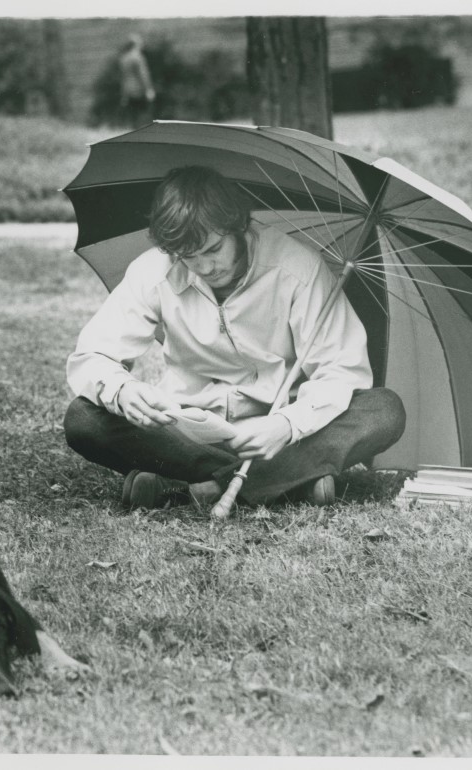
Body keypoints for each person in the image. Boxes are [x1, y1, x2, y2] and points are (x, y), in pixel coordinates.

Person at [63, 165, 406, 511]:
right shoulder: (153, 270)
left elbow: (343, 371)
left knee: (384, 410)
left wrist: (287, 425)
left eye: (213, 249)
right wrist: (123, 390)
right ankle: (285, 482)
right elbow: (93, 355)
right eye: (188, 256)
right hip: (184, 430)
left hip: (275, 431)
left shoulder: (298, 269)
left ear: (239, 225)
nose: (205, 267)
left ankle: (187, 481)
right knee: (83, 417)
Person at [118, 33, 156, 127]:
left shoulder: (124, 59)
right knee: (143, 115)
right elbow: (143, 75)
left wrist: (124, 94)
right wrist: (148, 89)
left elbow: (123, 77)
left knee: (132, 116)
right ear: (136, 45)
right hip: (139, 90)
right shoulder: (138, 58)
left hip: (128, 90)